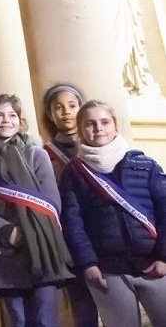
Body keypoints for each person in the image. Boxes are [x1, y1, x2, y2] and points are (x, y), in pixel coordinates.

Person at [0, 93, 73, 327]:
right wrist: (6, 232)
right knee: (19, 321)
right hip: (4, 253)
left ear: (20, 121)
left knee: (46, 321)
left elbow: (51, 203)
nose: (6, 120)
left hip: (41, 250)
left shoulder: (37, 155)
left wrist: (30, 233)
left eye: (12, 115)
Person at [60, 100, 166, 326]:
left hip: (155, 265)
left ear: (115, 126)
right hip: (108, 270)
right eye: (90, 123)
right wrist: (88, 263)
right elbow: (73, 223)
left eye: (105, 122)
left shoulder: (145, 164)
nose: (99, 128)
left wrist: (163, 256)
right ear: (81, 130)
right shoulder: (74, 173)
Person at [41, 84, 99, 327]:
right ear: (51, 115)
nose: (66, 112)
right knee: (83, 309)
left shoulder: (100, 148)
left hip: (102, 234)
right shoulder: (44, 154)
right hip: (70, 239)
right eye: (58, 107)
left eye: (72, 106)